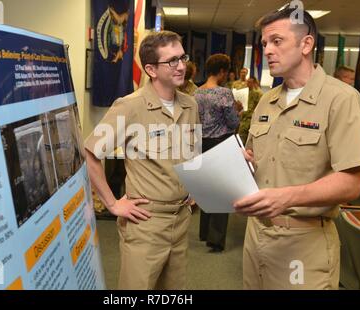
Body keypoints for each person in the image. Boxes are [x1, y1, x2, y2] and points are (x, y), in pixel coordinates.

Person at [233, 6, 360, 290]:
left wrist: (287, 197)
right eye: (264, 44)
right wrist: (243, 163)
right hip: (256, 237)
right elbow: (257, 159)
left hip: (304, 244)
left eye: (277, 41)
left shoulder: (340, 98)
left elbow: (352, 182)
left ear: (306, 44)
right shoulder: (266, 100)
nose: (268, 50)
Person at [84, 30, 200, 290]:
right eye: (172, 61)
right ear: (151, 69)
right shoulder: (130, 106)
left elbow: (192, 151)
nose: (182, 66)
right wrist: (112, 204)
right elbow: (90, 153)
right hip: (146, 222)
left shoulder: (191, 105)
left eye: (183, 57)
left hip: (181, 220)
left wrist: (196, 185)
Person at [194, 53, 242, 252]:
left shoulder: (196, 93)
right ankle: (216, 238)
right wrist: (238, 111)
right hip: (221, 143)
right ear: (222, 71)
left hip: (201, 143)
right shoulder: (224, 93)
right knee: (222, 191)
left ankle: (204, 232)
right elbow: (233, 122)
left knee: (206, 188)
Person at [238, 77, 263, 144]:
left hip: (251, 118)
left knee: (248, 140)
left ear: (254, 83)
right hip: (244, 118)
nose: (248, 83)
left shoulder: (258, 93)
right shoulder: (245, 92)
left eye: (250, 82)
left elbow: (259, 107)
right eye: (247, 82)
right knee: (241, 138)